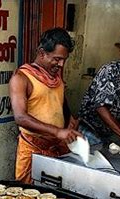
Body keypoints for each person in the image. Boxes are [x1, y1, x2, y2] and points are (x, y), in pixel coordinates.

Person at [9, 28, 81, 184]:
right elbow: (20, 117)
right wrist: (57, 131)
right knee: (26, 198)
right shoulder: (21, 78)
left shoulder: (55, 76)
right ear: (42, 53)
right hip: (33, 148)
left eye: (64, 59)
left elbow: (59, 101)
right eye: (57, 59)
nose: (61, 64)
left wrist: (71, 123)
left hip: (57, 147)